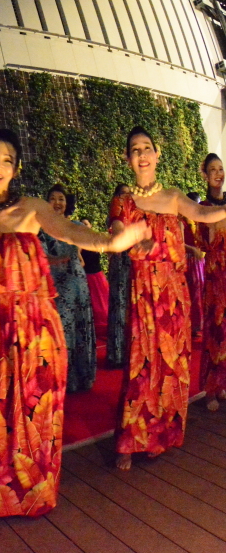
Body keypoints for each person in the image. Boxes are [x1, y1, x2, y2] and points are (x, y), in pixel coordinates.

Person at [0, 129, 148, 519]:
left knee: (36, 411)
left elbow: (72, 231)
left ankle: (32, 493)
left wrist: (109, 243)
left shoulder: (31, 208)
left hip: (39, 326)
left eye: (7, 160)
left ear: (17, 168)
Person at [111, 127, 226, 471]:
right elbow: (117, 232)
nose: (142, 154)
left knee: (172, 366)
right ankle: (130, 440)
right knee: (142, 365)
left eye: (147, 147)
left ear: (157, 153)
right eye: (135, 149)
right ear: (127, 159)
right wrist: (133, 240)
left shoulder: (174, 196)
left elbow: (203, 215)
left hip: (174, 295)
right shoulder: (124, 201)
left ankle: (160, 435)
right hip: (144, 293)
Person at [39, 185, 97, 392]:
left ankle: (82, 377)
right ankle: (62, 379)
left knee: (80, 327)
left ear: (67, 203)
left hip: (77, 283)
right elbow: (41, 256)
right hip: (55, 285)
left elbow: (92, 244)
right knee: (61, 330)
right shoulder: (41, 229)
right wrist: (60, 259)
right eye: (53, 198)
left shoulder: (76, 226)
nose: (57, 203)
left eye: (61, 199)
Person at [197, 154, 226, 411]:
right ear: (205, 175)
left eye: (221, 169)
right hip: (216, 274)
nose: (218, 174)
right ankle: (211, 389)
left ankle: (223, 383)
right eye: (213, 170)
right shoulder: (203, 207)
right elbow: (202, 243)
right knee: (215, 329)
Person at [106, 184, 132, 368]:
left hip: (133, 261)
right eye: (123, 194)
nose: (126, 197)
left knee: (130, 307)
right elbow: (118, 234)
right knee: (118, 306)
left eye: (129, 194)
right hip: (120, 261)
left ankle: (129, 352)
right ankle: (116, 354)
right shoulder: (116, 211)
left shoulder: (134, 211)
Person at [79, 220, 110, 339]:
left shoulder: (95, 240)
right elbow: (79, 260)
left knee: (102, 303)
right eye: (83, 224)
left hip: (98, 275)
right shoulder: (79, 242)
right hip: (87, 276)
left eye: (87, 224)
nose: (85, 226)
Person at [184, 192, 206, 337]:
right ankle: (192, 326)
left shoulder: (200, 221)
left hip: (200, 260)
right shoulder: (181, 221)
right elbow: (178, 242)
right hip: (188, 260)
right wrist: (192, 250)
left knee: (201, 292)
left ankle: (198, 325)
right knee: (192, 293)